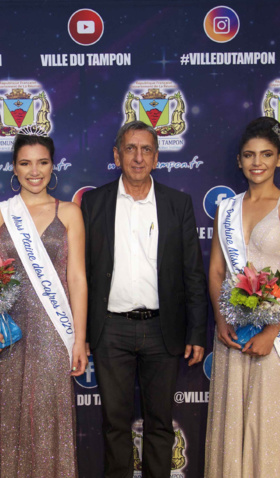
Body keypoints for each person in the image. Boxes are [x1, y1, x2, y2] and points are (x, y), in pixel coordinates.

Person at [80, 120, 207, 478]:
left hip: (162, 330)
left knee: (160, 424)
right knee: (114, 424)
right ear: (117, 156)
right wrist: (83, 332)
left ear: (156, 158)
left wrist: (197, 333)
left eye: (146, 149)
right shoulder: (93, 203)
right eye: (131, 149)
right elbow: (82, 272)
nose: (138, 157)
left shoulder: (177, 204)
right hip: (111, 330)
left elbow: (192, 273)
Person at [0, 133, 89, 477]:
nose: (34, 171)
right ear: (14, 167)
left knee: (47, 421)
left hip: (55, 333)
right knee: (11, 420)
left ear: (53, 166)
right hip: (10, 331)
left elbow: (78, 279)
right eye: (25, 163)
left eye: (42, 162)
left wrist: (80, 340)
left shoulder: (68, 213)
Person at [204, 116, 280, 477]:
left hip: (274, 331)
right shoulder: (226, 208)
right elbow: (218, 270)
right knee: (232, 416)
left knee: (268, 418)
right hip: (233, 326)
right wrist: (221, 320)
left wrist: (271, 331)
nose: (257, 162)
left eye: (266, 154)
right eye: (249, 155)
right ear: (239, 161)